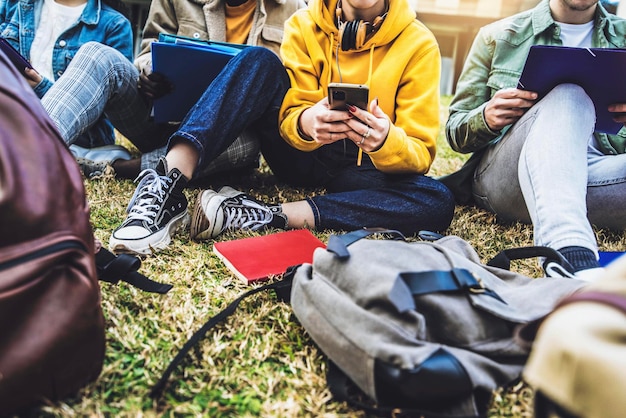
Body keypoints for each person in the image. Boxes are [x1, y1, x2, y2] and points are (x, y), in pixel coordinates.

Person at [107, 0, 455, 255]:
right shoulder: (303, 23)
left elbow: (420, 153)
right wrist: (306, 122)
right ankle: (166, 185)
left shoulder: (419, 44)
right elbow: (291, 110)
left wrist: (385, 140)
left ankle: (261, 214)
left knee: (436, 199)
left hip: (359, 172)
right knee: (258, 59)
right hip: (297, 156)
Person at [442, 0, 626, 282]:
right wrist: (487, 116)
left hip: (599, 170)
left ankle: (562, 208)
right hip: (508, 175)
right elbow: (455, 132)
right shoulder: (498, 35)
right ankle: (569, 252)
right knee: (569, 94)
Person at [41, 0, 305, 180]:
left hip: (225, 139)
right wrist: (151, 71)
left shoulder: (294, 8)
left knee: (249, 146)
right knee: (96, 55)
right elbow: (148, 49)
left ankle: (120, 168)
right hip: (162, 114)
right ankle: (28, 150)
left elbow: (296, 87)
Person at [0, 0, 133, 152]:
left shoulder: (115, 24)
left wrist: (41, 88)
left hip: (83, 136)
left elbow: (110, 108)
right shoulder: (14, 5)